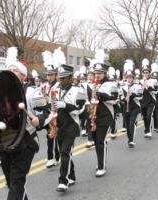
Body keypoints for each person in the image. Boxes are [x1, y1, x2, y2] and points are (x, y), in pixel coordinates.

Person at [0, 47, 49, 200]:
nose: (11, 72)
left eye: (15, 70)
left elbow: (46, 111)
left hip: (26, 142)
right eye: (9, 70)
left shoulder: (31, 92)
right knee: (12, 183)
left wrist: (38, 120)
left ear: (23, 75)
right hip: (6, 142)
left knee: (17, 183)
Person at [50, 48, 86, 192]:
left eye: (63, 77)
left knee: (65, 152)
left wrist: (65, 105)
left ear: (70, 77)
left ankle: (63, 181)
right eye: (59, 77)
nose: (60, 80)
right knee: (64, 152)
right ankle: (72, 175)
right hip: (59, 125)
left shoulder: (79, 90)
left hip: (72, 125)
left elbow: (80, 109)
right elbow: (52, 107)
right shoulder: (56, 90)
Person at [89, 50, 118, 177]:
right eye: (96, 73)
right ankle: (101, 161)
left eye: (100, 73)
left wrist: (101, 95)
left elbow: (115, 99)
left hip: (106, 116)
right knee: (96, 141)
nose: (97, 75)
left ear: (105, 73)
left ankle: (101, 166)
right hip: (94, 116)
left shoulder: (111, 84)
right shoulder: (92, 85)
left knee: (100, 140)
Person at [41, 50, 60, 168]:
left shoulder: (58, 86)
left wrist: (48, 100)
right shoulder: (45, 86)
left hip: (57, 114)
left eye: (51, 75)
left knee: (57, 137)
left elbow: (56, 101)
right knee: (49, 137)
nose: (49, 77)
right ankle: (50, 158)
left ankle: (57, 156)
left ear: (56, 75)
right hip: (48, 114)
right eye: (48, 75)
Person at [121, 62, 143, 148]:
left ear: (133, 78)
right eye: (128, 78)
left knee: (131, 123)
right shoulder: (122, 87)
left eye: (131, 78)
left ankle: (131, 140)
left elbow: (141, 96)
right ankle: (129, 137)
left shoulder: (137, 86)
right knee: (127, 125)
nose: (129, 79)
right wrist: (124, 99)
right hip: (126, 108)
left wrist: (133, 95)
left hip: (135, 107)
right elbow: (119, 97)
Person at [140, 58, 158, 139]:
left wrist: (149, 87)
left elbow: (156, 91)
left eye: (147, 72)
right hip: (143, 102)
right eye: (144, 72)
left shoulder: (154, 81)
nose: (145, 74)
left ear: (149, 73)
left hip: (151, 101)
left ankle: (149, 131)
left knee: (149, 115)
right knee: (144, 117)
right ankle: (146, 129)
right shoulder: (140, 81)